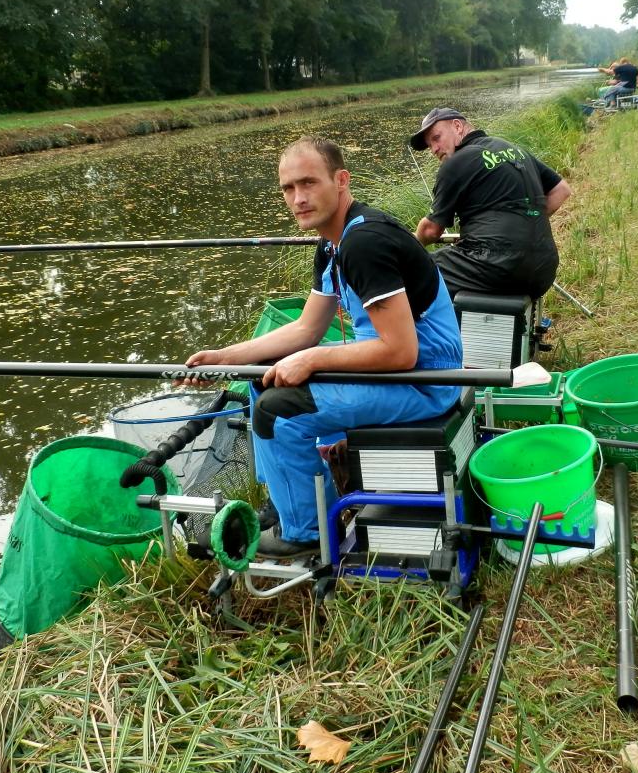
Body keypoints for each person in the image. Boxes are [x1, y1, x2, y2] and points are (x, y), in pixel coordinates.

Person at [186, 136, 463, 557]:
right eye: (288, 188)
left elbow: (401, 351)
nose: (298, 198)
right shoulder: (333, 243)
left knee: (279, 414)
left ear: (341, 180)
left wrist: (312, 359)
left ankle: (308, 533)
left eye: (309, 183)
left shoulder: (364, 243)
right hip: (394, 371)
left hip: (425, 379)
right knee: (263, 383)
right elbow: (306, 329)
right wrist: (225, 357)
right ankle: (288, 506)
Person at [410, 108, 571, 300]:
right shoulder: (513, 149)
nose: (434, 149)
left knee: (415, 271)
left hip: (494, 266)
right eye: (430, 145)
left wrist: (410, 243)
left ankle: (428, 330)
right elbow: (561, 190)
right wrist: (525, 221)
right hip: (544, 269)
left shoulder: (455, 163)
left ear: (457, 126)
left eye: (436, 137)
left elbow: (431, 230)